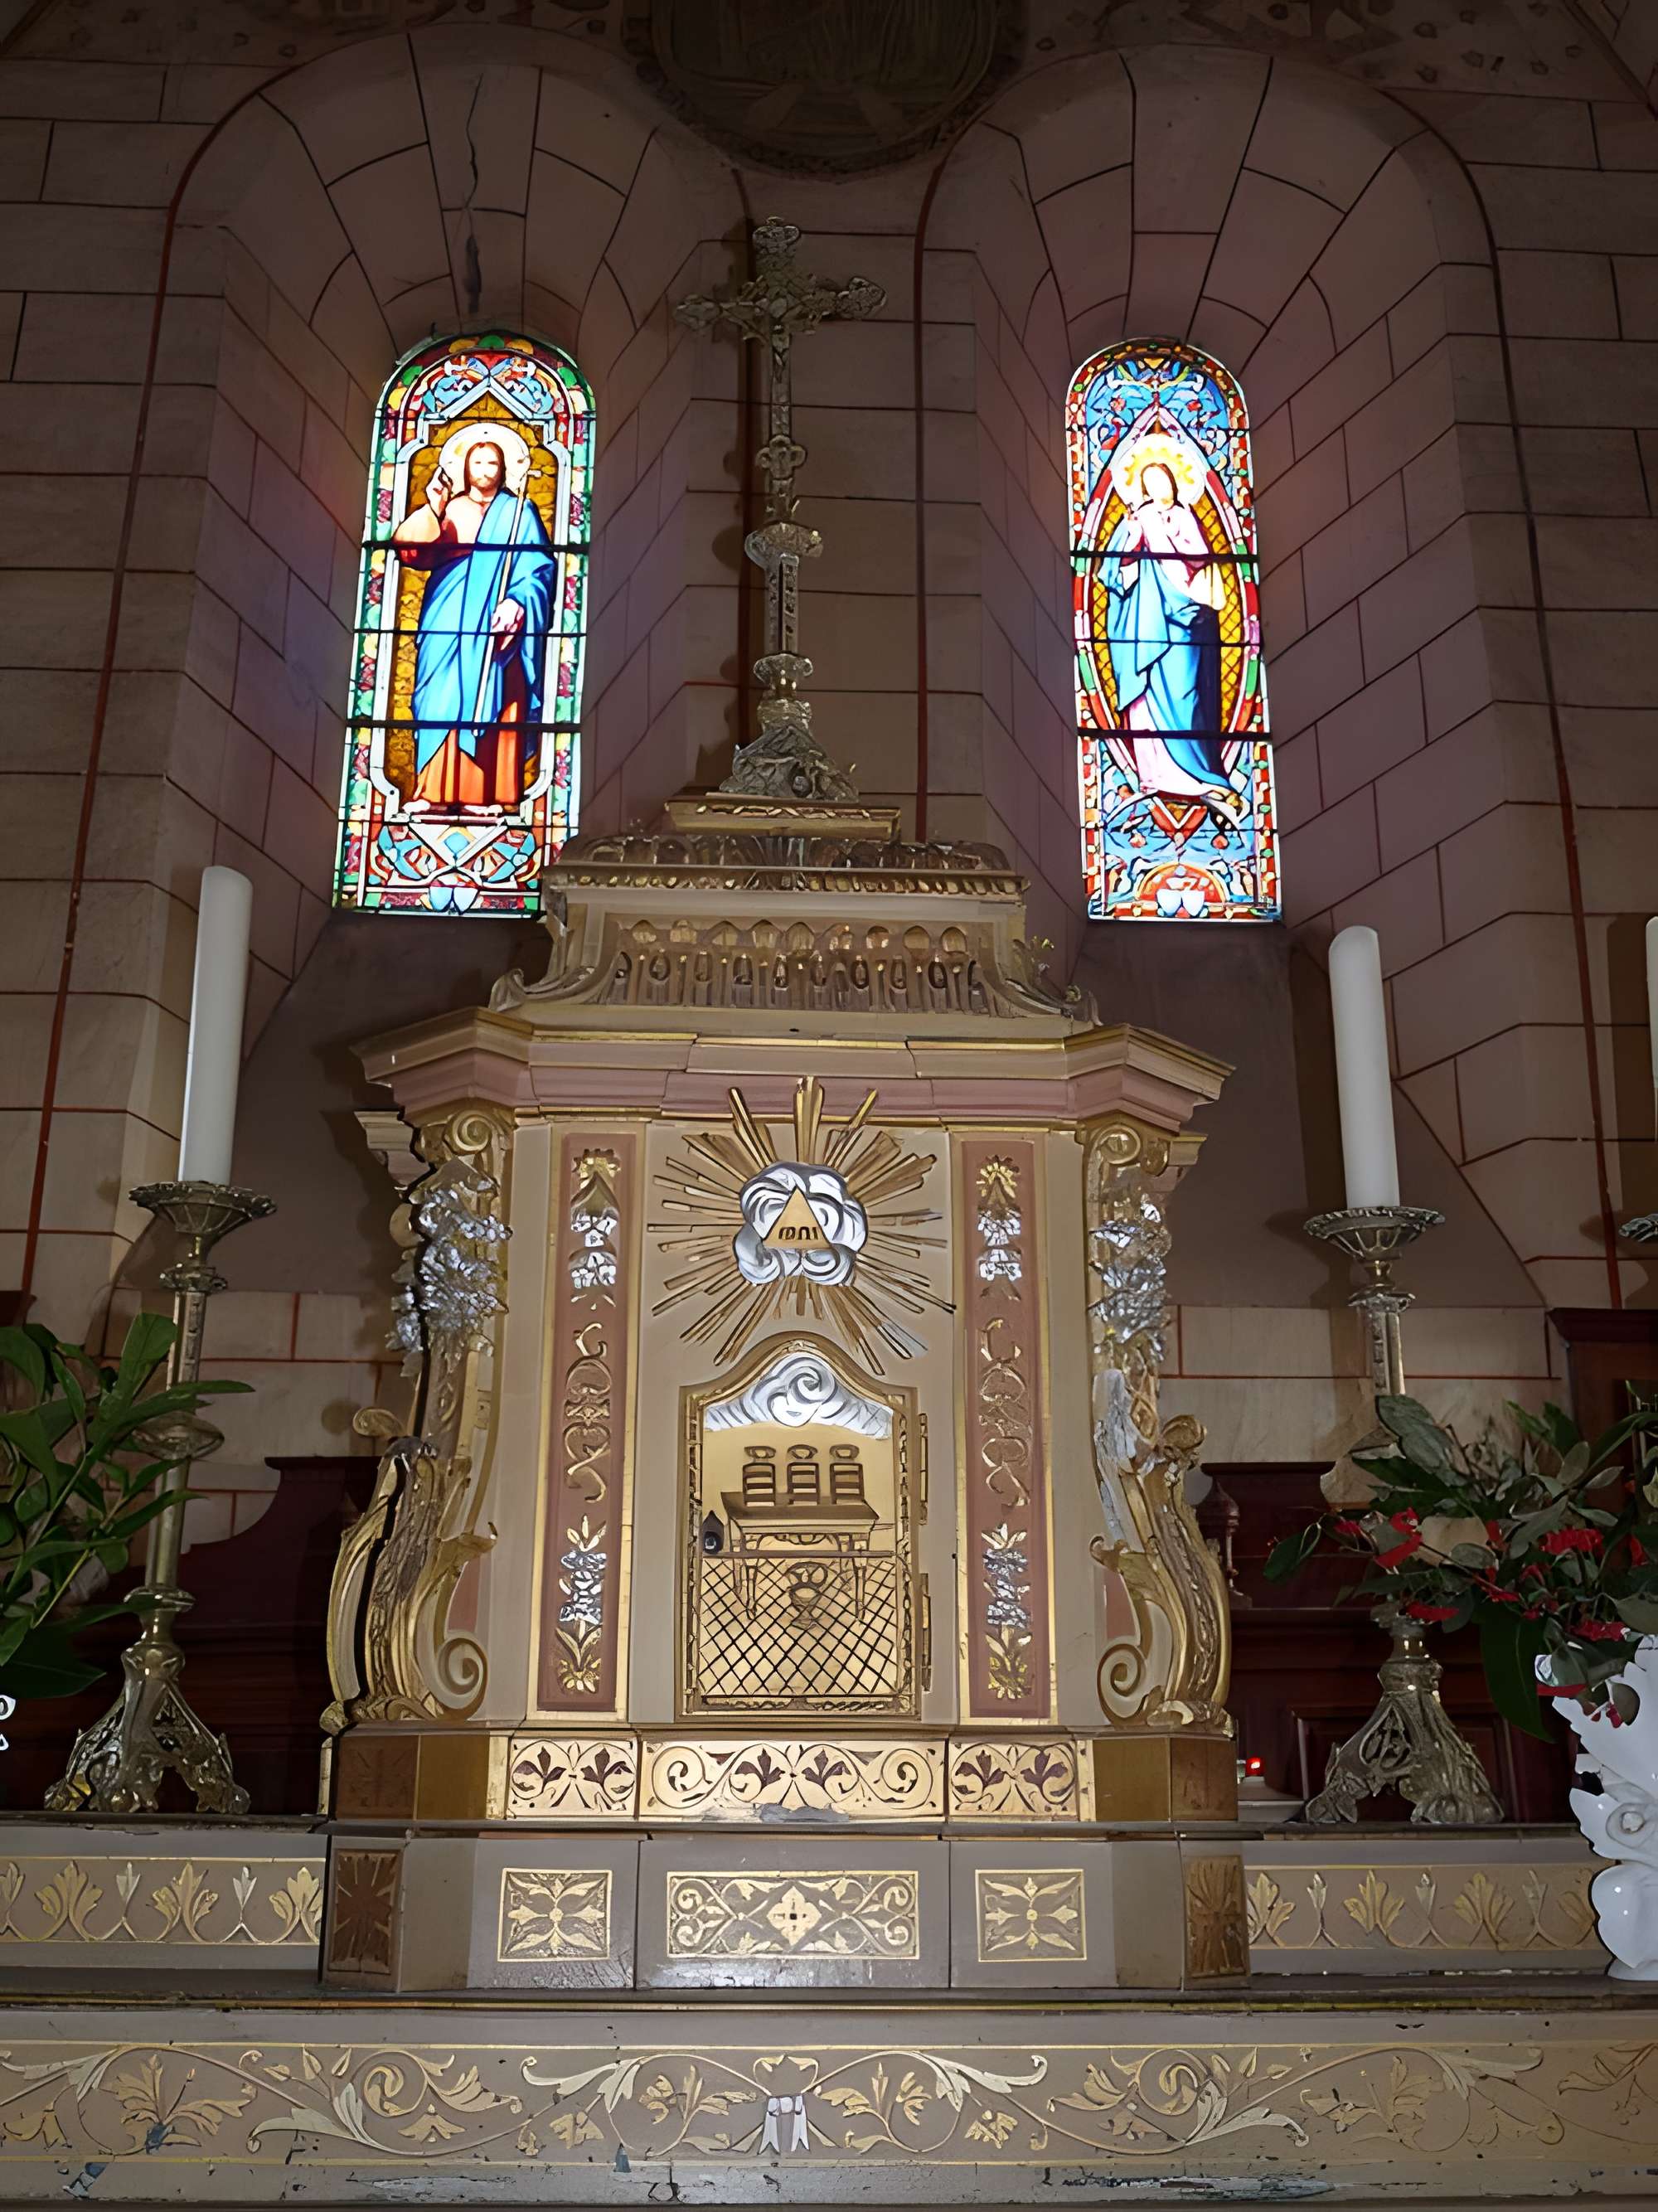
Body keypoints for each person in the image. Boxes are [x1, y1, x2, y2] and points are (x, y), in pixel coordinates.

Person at [391, 432, 555, 810]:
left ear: (504, 470)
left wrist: (517, 602)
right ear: (464, 468)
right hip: (447, 614)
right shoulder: (449, 509)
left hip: (496, 624)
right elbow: (411, 552)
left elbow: (538, 567)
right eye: (478, 462)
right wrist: (433, 507)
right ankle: (431, 792)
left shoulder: (519, 513)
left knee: (494, 695)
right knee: (439, 695)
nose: (485, 470)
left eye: (493, 463)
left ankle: (486, 793)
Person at [1102, 457, 1240, 820]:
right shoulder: (1139, 518)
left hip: (1186, 615)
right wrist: (1133, 534)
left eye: (1161, 480)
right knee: (1146, 692)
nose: (1157, 488)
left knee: (1187, 692)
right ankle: (1154, 775)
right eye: (1149, 483)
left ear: (1173, 483)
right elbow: (1114, 569)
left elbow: (1199, 557)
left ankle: (1198, 776)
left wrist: (1172, 539)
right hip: (1147, 618)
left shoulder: (1184, 516)